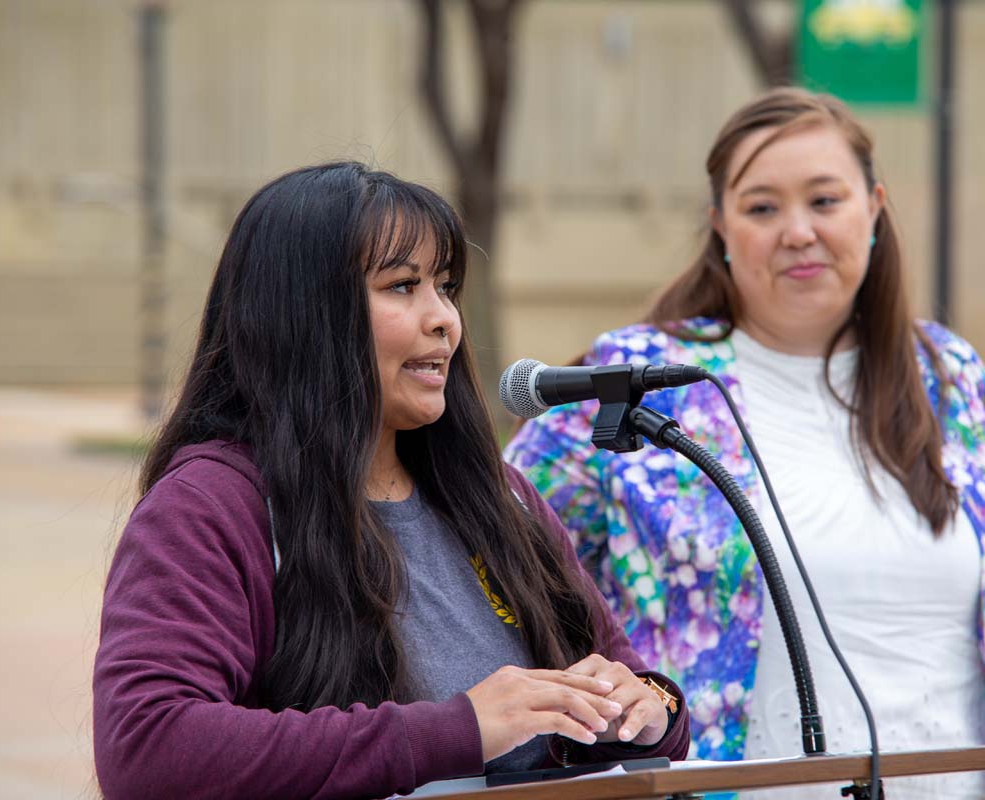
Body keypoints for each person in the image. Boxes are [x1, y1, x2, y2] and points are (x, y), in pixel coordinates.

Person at [503, 88, 985, 800]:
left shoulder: (951, 376)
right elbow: (498, 548)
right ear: (721, 229)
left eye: (825, 201)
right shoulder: (642, 381)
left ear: (874, 210)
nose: (797, 231)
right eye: (763, 207)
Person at [92, 162, 689, 800]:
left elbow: (620, 673)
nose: (445, 320)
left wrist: (649, 711)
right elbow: (147, 746)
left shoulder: (501, 494)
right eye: (403, 286)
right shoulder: (210, 506)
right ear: (303, 314)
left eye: (447, 286)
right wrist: (457, 730)